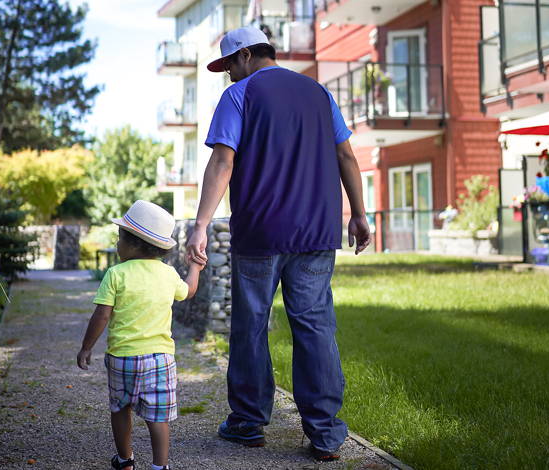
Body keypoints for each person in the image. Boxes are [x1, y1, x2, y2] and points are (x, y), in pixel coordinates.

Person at [186, 27, 371, 462]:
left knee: (251, 326)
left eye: (229, 64)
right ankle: (325, 434)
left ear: (246, 55)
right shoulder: (319, 93)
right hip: (317, 232)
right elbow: (346, 155)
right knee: (315, 326)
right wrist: (359, 214)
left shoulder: (240, 96)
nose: (229, 74)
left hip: (261, 233)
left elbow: (223, 160)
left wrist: (200, 224)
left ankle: (248, 422)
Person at [77, 200, 204, 470]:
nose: (118, 245)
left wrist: (86, 348)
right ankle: (160, 466)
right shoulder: (168, 273)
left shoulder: (115, 274)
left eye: (120, 239)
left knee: (120, 409)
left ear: (133, 243)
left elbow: (101, 316)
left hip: (122, 358)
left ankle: (125, 460)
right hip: (160, 360)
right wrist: (195, 266)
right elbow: (189, 291)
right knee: (158, 417)